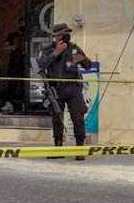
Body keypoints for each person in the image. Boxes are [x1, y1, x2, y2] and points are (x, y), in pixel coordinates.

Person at [37, 23, 92, 160]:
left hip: (73, 88)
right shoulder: (48, 50)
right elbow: (41, 64)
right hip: (56, 89)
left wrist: (82, 59)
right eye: (63, 33)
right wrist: (56, 53)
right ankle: (58, 148)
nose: (66, 35)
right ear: (55, 36)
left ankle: (80, 149)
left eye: (67, 33)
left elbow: (88, 65)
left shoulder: (73, 49)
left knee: (78, 118)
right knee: (57, 119)